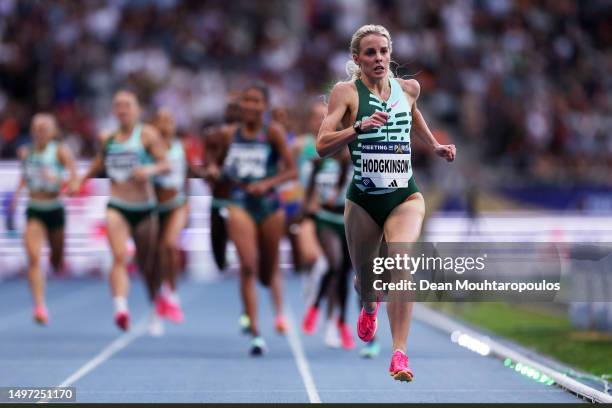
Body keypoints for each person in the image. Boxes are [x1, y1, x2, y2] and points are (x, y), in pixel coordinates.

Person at [316, 25, 456, 381]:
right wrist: (357, 128)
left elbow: (412, 113)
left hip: (403, 196)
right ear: (357, 59)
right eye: (370, 53)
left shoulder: (408, 88)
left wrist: (433, 145)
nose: (378, 58)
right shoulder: (346, 94)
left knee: (401, 264)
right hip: (363, 200)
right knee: (367, 281)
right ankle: (367, 306)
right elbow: (322, 144)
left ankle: (399, 353)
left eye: (383, 51)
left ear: (390, 54)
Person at [203, 82, 297, 355]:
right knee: (247, 264)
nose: (250, 106)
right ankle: (255, 332)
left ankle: (267, 297)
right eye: (246, 101)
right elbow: (216, 168)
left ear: (265, 106)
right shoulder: (228, 135)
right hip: (239, 202)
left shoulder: (273, 133)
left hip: (268, 205)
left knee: (267, 274)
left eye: (256, 101)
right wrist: (210, 171)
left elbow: (291, 172)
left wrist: (268, 184)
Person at [75, 90, 169, 335]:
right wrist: (80, 180)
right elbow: (99, 162)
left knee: (148, 266)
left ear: (137, 109)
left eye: (127, 105)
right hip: (117, 204)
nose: (122, 110)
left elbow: (166, 163)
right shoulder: (108, 138)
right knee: (118, 257)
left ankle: (153, 308)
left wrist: (148, 170)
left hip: (144, 208)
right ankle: (121, 308)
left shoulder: (147, 134)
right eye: (117, 105)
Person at [11, 113, 78, 324]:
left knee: (57, 260)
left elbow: (75, 182)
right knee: (32, 256)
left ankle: (56, 261)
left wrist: (59, 180)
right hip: (35, 208)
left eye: (44, 128)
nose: (40, 132)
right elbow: (25, 176)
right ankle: (39, 305)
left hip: (55, 208)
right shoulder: (25, 152)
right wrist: (17, 194)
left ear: (53, 131)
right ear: (32, 131)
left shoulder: (60, 152)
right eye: (36, 128)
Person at [301, 148, 355, 351]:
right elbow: (308, 193)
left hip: (349, 222)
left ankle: (341, 322)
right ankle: (315, 306)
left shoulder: (354, 161)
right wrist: (306, 211)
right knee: (334, 263)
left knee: (344, 274)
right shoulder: (319, 163)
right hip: (325, 220)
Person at [152, 108, 188, 324]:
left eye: (170, 120)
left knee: (169, 245)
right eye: (162, 120)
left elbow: (189, 172)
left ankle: (173, 296)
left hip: (177, 203)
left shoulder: (179, 146)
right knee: (155, 255)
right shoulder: (149, 149)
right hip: (154, 206)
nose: (166, 124)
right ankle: (161, 295)